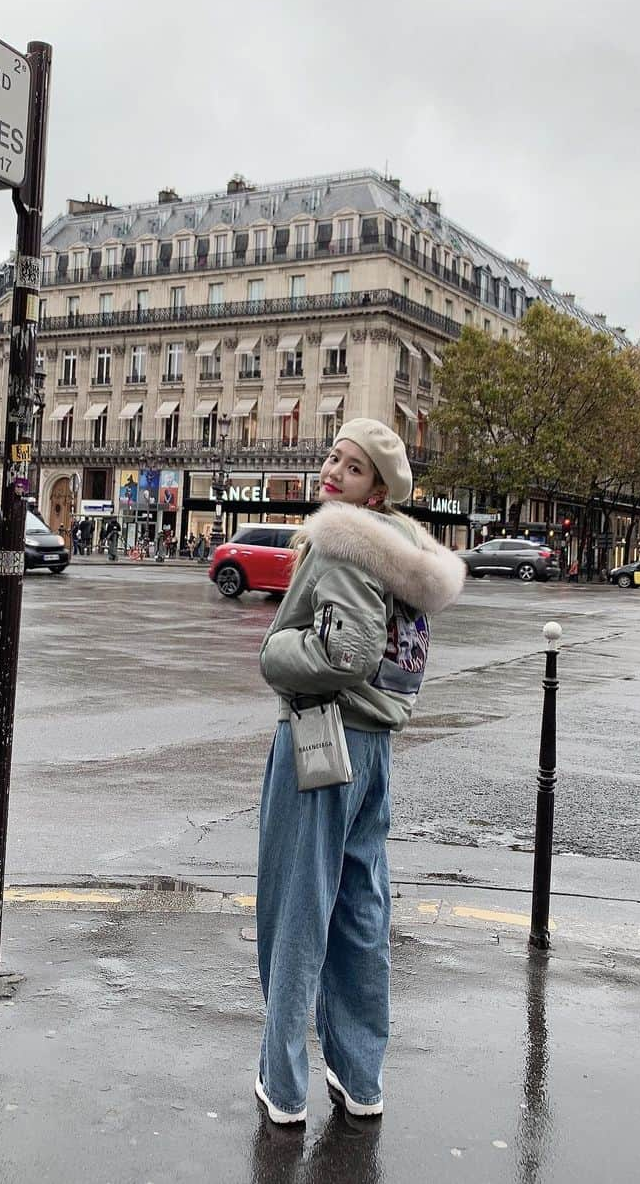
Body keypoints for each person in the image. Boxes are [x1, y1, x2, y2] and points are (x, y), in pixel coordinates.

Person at [253, 418, 466, 1128]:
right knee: (361, 910)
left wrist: (276, 651)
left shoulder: (344, 541)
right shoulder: (405, 550)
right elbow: (393, 657)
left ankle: (283, 1086)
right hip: (374, 745)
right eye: (332, 458)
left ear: (376, 489)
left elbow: (349, 650)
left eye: (350, 467)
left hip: (322, 733)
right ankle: (360, 1075)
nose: (331, 472)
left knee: (295, 906)